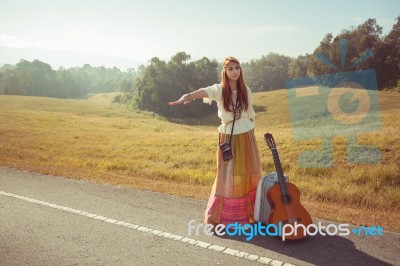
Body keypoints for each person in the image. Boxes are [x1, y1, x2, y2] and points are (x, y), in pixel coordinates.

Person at [168, 56, 262, 227]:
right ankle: (226, 217)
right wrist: (188, 96)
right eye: (230, 68)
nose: (234, 71)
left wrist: (252, 137)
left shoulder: (246, 89)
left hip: (247, 134)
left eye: (237, 68)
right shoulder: (220, 89)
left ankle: (251, 213)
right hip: (228, 137)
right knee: (228, 174)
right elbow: (205, 91)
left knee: (249, 171)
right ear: (224, 72)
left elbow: (250, 113)